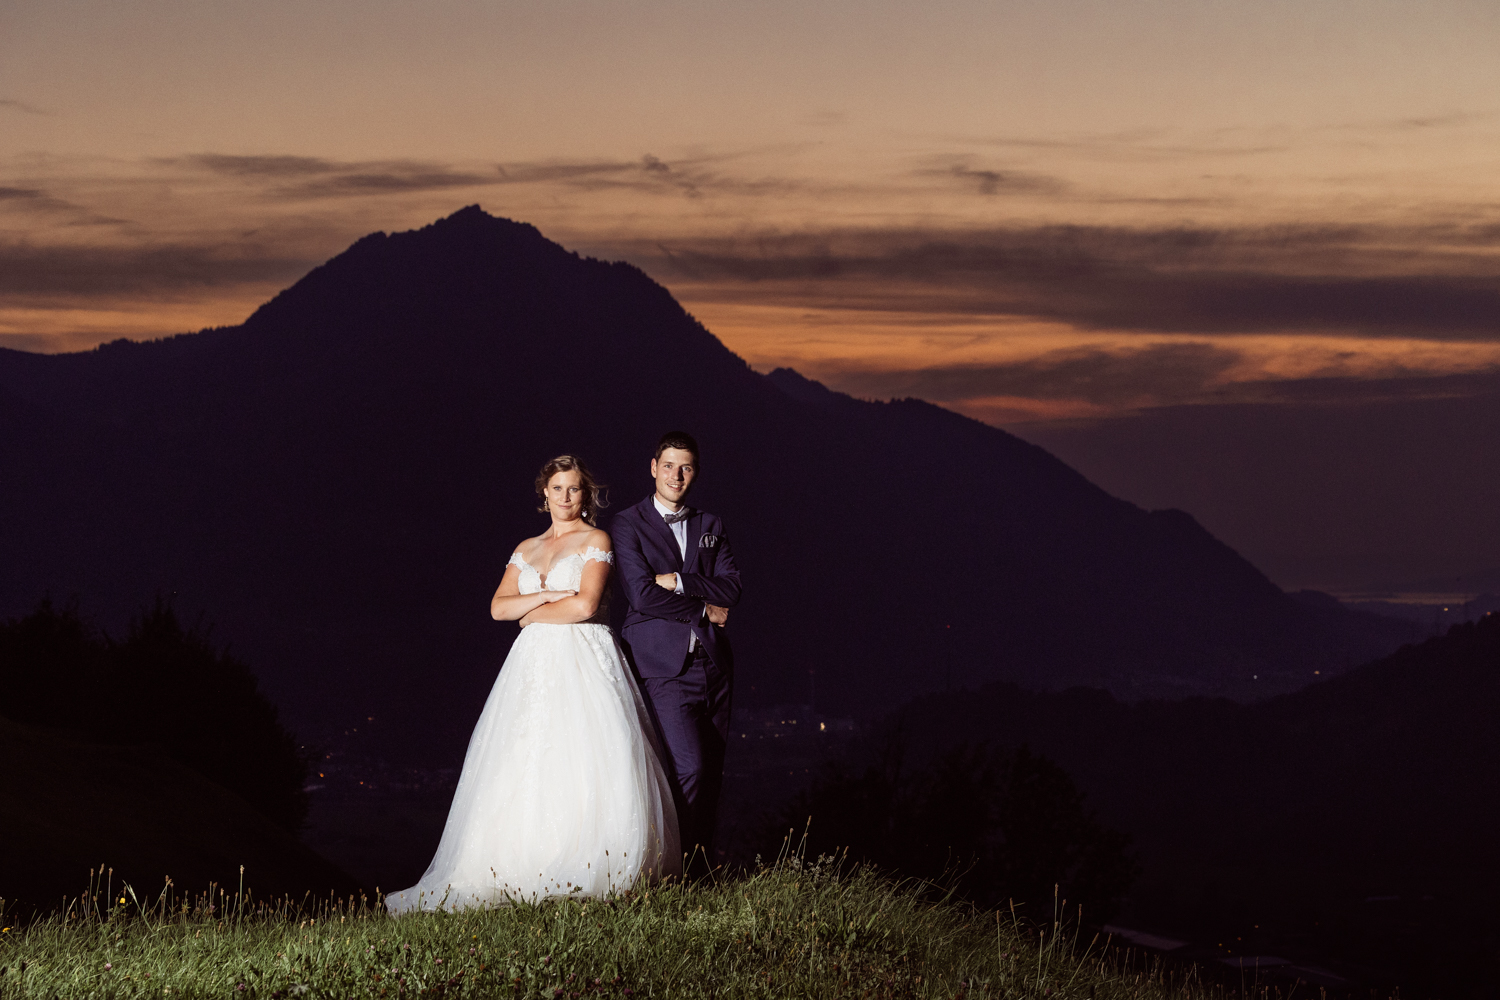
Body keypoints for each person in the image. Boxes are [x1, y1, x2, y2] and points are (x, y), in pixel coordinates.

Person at [385, 455, 679, 912]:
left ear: (587, 495)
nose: (565, 497)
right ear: (544, 494)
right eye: (557, 489)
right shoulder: (526, 547)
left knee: (583, 753)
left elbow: (585, 606)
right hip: (531, 665)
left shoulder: (595, 539)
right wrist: (542, 597)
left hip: (583, 656)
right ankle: (514, 864)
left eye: (574, 489)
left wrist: (529, 615)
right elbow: (498, 607)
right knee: (523, 756)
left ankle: (589, 862)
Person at [612, 431, 741, 875]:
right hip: (662, 666)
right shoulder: (628, 523)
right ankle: (672, 869)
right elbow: (642, 595)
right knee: (689, 767)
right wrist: (705, 607)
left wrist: (683, 581)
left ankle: (699, 870)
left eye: (685, 467)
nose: (676, 475)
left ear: (695, 473)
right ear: (653, 468)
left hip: (714, 665)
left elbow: (733, 588)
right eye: (668, 465)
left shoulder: (711, 525)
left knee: (712, 775)